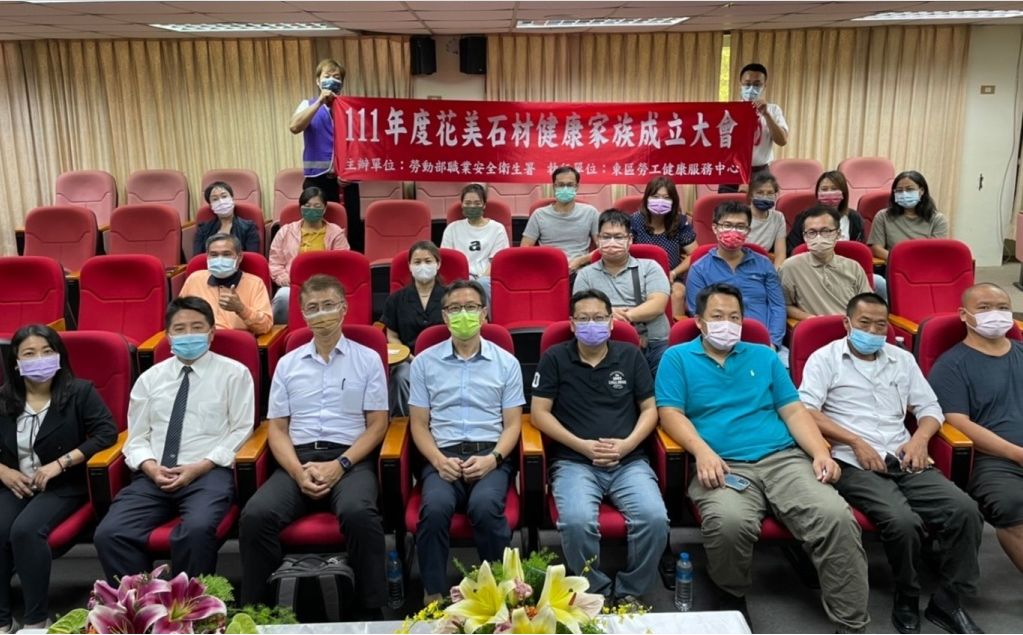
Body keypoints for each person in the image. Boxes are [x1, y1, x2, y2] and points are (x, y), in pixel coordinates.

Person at [656, 283, 868, 633]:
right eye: (718, 316)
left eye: (734, 317)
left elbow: (794, 411)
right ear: (699, 321)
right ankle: (731, 594)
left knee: (835, 517)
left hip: (782, 458)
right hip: (723, 463)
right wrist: (702, 451)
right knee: (729, 522)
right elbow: (670, 414)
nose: (727, 324)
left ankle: (851, 622)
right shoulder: (677, 358)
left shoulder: (764, 356)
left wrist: (820, 451)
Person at [799, 292, 984, 634]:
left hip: (904, 455)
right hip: (853, 460)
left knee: (965, 511)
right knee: (902, 522)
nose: (873, 331)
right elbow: (806, 410)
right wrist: (854, 441)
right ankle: (907, 595)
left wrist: (920, 439)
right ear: (847, 323)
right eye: (864, 323)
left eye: (880, 325)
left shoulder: (901, 359)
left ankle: (948, 600)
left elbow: (930, 408)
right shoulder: (824, 359)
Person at [239, 275, 387, 616]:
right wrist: (296, 470)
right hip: (298, 459)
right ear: (303, 314)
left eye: (328, 305)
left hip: (350, 459)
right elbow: (277, 429)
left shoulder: (367, 359)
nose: (321, 314)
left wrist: (341, 465)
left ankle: (370, 611)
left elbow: (378, 424)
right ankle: (261, 612)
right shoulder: (288, 363)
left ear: (343, 308)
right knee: (256, 515)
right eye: (313, 308)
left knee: (359, 513)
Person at [95, 297, 253, 582]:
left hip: (207, 473)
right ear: (168, 336)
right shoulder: (150, 378)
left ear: (211, 333)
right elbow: (137, 436)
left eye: (197, 327)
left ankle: (190, 604)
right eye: (180, 329)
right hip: (154, 475)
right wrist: (151, 468)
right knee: (110, 533)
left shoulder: (234, 374)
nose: (188, 334)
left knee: (196, 530)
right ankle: (143, 601)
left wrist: (201, 466)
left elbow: (241, 430)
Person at [530, 289, 668, 605]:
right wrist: (582, 446)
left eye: (598, 317)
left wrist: (628, 445)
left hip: (628, 460)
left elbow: (650, 409)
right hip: (574, 461)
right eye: (583, 318)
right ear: (572, 323)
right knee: (576, 521)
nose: (591, 324)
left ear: (610, 322)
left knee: (654, 518)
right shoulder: (555, 358)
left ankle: (631, 589)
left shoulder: (631, 355)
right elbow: (539, 414)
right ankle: (595, 592)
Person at [408, 279, 523, 604]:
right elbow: (419, 424)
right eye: (455, 308)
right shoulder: (424, 362)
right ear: (444, 316)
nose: (463, 314)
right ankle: (433, 594)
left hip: (490, 454)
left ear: (484, 313)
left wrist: (494, 459)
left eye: (471, 307)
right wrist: (437, 460)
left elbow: (513, 424)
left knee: (484, 507)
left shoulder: (506, 363)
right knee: (434, 509)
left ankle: (499, 592)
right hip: (442, 455)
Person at [0, 325, 117, 633]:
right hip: (16, 484)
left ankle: (37, 619)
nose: (39, 359)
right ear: (16, 363)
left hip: (63, 485)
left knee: (25, 530)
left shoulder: (80, 392)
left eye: (47, 351)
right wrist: (3, 471)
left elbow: (107, 433)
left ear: (59, 356)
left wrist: (62, 463)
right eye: (29, 354)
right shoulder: (4, 398)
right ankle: (2, 619)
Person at [929, 283, 1023, 575]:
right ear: (963, 314)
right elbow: (958, 422)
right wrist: (1017, 454)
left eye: (1003, 308)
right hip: (993, 459)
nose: (995, 314)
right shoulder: (951, 365)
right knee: (1012, 504)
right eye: (984, 308)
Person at [574, 210, 671, 375]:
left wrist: (617, 317)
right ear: (598, 240)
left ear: (629, 240)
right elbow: (580, 311)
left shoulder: (650, 267)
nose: (612, 242)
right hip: (603, 343)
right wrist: (612, 317)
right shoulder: (585, 274)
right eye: (606, 237)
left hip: (653, 344)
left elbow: (657, 305)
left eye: (618, 237)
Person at [685, 202, 786, 351]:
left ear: (748, 231)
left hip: (764, 344)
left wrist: (773, 343)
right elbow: (697, 312)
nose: (733, 231)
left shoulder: (764, 264)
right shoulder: (699, 269)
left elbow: (777, 306)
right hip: (718, 345)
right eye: (727, 225)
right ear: (715, 228)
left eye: (740, 227)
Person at [289, 58, 363, 253]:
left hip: (346, 181)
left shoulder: (352, 108)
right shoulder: (307, 104)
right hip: (317, 179)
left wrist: (353, 172)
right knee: (316, 226)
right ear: (318, 81)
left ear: (342, 83)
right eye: (327, 76)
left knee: (351, 227)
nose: (332, 80)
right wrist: (320, 102)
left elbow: (362, 144)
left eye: (336, 77)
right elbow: (294, 127)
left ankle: (351, 263)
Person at [382, 241, 447, 417]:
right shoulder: (396, 299)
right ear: (410, 266)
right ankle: (401, 424)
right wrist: (411, 358)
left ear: (438, 264)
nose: (423, 266)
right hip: (408, 359)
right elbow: (392, 335)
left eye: (428, 261)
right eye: (417, 262)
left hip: (445, 358)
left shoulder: (450, 297)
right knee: (400, 376)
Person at [268, 186, 350, 324]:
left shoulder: (336, 233)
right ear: (300, 208)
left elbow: (343, 264)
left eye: (317, 206)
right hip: (293, 284)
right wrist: (284, 279)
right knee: (283, 296)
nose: (312, 209)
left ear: (324, 209)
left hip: (325, 285)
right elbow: (275, 263)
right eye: (307, 205)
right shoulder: (285, 231)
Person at [779, 205, 870, 321]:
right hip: (817, 327)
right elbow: (784, 305)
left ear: (838, 234)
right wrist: (810, 318)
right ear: (805, 237)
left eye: (826, 231)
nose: (819, 237)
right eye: (812, 232)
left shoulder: (853, 267)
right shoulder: (790, 267)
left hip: (852, 327)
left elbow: (868, 305)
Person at [629, 176, 697, 318]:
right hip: (639, 275)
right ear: (647, 198)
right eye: (655, 196)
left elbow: (695, 254)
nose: (660, 201)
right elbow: (623, 249)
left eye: (666, 198)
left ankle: (675, 330)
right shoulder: (634, 220)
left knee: (678, 293)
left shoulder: (679, 221)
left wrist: (674, 273)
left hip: (670, 276)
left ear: (673, 201)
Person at [180, 233, 272, 335]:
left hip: (234, 341)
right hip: (198, 340)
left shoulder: (255, 283)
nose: (219, 260)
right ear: (207, 257)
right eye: (214, 255)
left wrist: (241, 309)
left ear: (239, 257)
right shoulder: (194, 279)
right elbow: (177, 316)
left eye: (226, 254)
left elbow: (265, 327)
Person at [719, 63, 789, 193]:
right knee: (728, 205)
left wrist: (766, 115)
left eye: (757, 84)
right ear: (740, 85)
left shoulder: (773, 110)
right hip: (731, 171)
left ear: (764, 86)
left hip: (760, 172)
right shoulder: (729, 111)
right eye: (747, 84)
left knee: (761, 206)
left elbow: (782, 140)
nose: (751, 88)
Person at [520, 166, 599, 273]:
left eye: (570, 185)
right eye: (561, 185)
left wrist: (581, 261)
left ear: (576, 187)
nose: (565, 189)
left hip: (580, 270)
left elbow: (604, 247)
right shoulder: (539, 215)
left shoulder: (590, 212)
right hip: (547, 270)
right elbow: (524, 249)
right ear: (554, 187)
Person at [440, 184, 508, 303]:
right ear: (462, 204)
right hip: (461, 276)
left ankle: (487, 315)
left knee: (482, 283)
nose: (472, 207)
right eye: (467, 203)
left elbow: (496, 262)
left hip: (487, 277)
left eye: (477, 203)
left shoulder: (497, 229)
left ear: (484, 204)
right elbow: (448, 260)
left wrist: (479, 280)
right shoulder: (452, 228)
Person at [868, 170, 948, 262]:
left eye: (909, 189)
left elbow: (935, 251)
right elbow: (876, 249)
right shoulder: (883, 216)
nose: (904, 194)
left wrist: (913, 262)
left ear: (921, 191)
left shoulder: (938, 219)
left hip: (925, 265)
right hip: (895, 263)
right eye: (899, 190)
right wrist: (902, 260)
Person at [786, 171, 865, 254]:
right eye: (824, 189)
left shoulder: (854, 218)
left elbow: (859, 250)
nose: (829, 193)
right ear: (818, 193)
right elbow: (792, 250)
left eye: (834, 189)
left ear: (843, 193)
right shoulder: (804, 217)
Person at [192, 181, 260, 257]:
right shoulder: (203, 229)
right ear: (211, 206)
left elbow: (252, 257)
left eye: (224, 196)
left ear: (232, 199)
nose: (221, 202)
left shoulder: (248, 228)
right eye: (215, 199)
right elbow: (197, 258)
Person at [744, 173, 786, 268]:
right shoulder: (740, 215)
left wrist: (775, 273)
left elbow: (780, 254)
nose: (765, 197)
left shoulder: (778, 217)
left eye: (770, 193)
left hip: (764, 265)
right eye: (760, 193)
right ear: (751, 194)